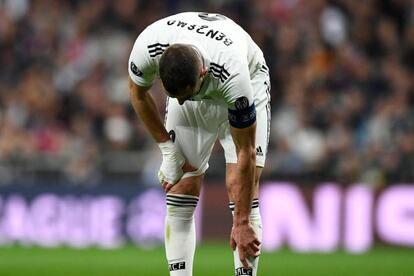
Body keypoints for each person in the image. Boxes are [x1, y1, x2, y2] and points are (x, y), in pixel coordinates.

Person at [128, 12, 270, 276]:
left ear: (202, 74)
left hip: (248, 79)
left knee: (242, 190)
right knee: (182, 188)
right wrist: (167, 150)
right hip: (206, 80)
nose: (180, 103)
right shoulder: (148, 45)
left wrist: (240, 223)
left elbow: (245, 152)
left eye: (186, 95)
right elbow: (137, 93)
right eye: (173, 97)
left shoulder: (234, 76)